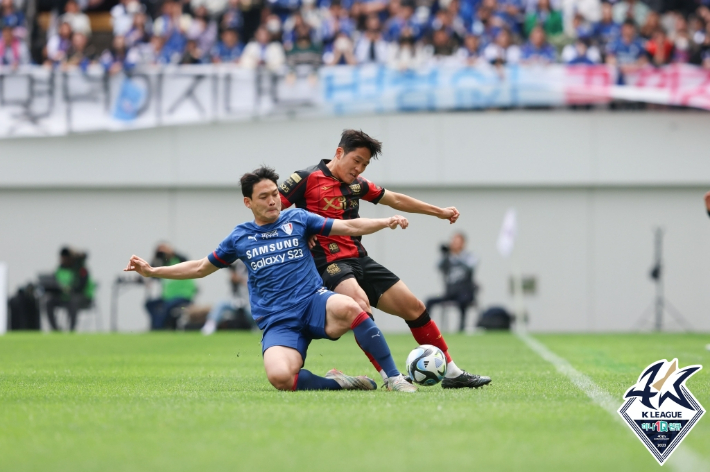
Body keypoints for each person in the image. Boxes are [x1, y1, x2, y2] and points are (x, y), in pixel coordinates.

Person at [125, 166, 416, 392]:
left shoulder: (298, 219)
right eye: (263, 197)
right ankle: (340, 383)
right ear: (247, 202)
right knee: (280, 378)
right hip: (279, 321)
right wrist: (153, 271)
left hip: (313, 302)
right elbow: (201, 267)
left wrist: (385, 221)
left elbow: (347, 225)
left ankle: (393, 378)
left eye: (275, 194)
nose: (273, 201)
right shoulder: (240, 237)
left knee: (354, 307)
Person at [279, 129, 492, 389]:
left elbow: (396, 199)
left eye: (364, 164)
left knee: (413, 307)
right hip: (328, 263)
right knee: (360, 305)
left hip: (359, 258)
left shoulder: (357, 185)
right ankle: (391, 377)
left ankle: (452, 372)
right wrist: (300, 231)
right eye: (355, 160)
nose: (358, 168)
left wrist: (440, 212)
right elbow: (269, 210)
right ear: (338, 153)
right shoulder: (305, 178)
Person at [425, 233, 479, 333]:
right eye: (453, 242)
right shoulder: (447, 257)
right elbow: (437, 266)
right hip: (451, 293)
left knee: (463, 301)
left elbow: (471, 266)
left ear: (463, 244)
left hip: (465, 293)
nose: (454, 245)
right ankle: (426, 328)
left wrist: (457, 256)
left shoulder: (470, 256)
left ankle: (461, 328)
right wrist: (445, 254)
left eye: (457, 242)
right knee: (429, 301)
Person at [144, 243, 197, 330]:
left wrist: (171, 252)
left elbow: (185, 260)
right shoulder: (164, 264)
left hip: (183, 296)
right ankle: (155, 326)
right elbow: (151, 272)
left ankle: (159, 329)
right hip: (168, 298)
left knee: (166, 308)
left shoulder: (179, 261)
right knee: (150, 304)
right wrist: (156, 257)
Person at [45, 247, 94, 332]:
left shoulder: (80, 269)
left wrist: (70, 289)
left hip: (83, 297)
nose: (63, 260)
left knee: (73, 301)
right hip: (64, 297)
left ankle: (72, 330)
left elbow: (81, 286)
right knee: (48, 301)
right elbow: (54, 282)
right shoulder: (60, 269)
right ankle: (55, 330)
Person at [201, 260, 251, 335]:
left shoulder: (252, 266)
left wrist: (240, 279)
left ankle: (257, 328)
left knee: (251, 312)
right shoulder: (237, 265)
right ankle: (210, 326)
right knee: (221, 304)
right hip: (237, 300)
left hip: (250, 301)